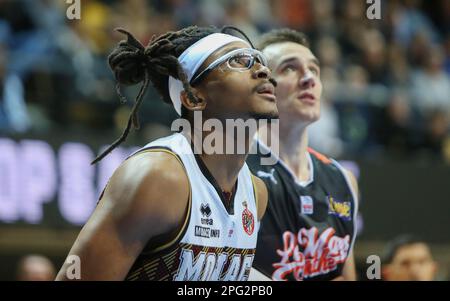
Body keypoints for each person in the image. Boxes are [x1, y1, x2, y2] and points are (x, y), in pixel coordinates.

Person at [56, 25, 279, 281]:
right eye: (239, 62)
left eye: (260, 60)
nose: (263, 70)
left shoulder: (255, 192)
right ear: (194, 98)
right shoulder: (157, 177)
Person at [247, 28, 359, 281]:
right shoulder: (234, 173)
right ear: (261, 85)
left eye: (315, 70)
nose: (309, 78)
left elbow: (344, 276)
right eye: (289, 68)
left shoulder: (344, 180)